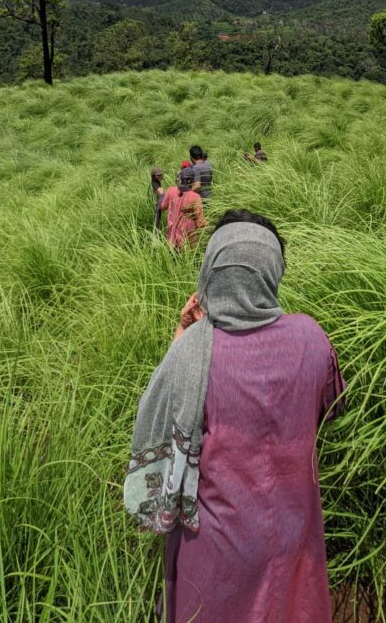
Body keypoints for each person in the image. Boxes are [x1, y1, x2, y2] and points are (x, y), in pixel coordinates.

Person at [124, 209, 345, 622]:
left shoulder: (193, 350)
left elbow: (164, 429)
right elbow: (328, 407)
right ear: (272, 272)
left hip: (214, 546)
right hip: (294, 533)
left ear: (211, 271)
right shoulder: (312, 337)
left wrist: (182, 335)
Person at [159, 166, 207, 249]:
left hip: (172, 237)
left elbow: (162, 207)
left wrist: (162, 195)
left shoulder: (171, 191)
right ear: (192, 181)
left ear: (180, 178)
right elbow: (200, 222)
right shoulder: (195, 197)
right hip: (188, 239)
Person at [150, 167, 165, 231]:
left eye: (160, 175)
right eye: (158, 175)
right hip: (157, 204)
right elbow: (161, 192)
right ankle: (155, 235)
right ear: (154, 176)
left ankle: (156, 232)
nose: (159, 176)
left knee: (157, 220)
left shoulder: (157, 181)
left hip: (158, 202)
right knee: (157, 220)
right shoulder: (154, 183)